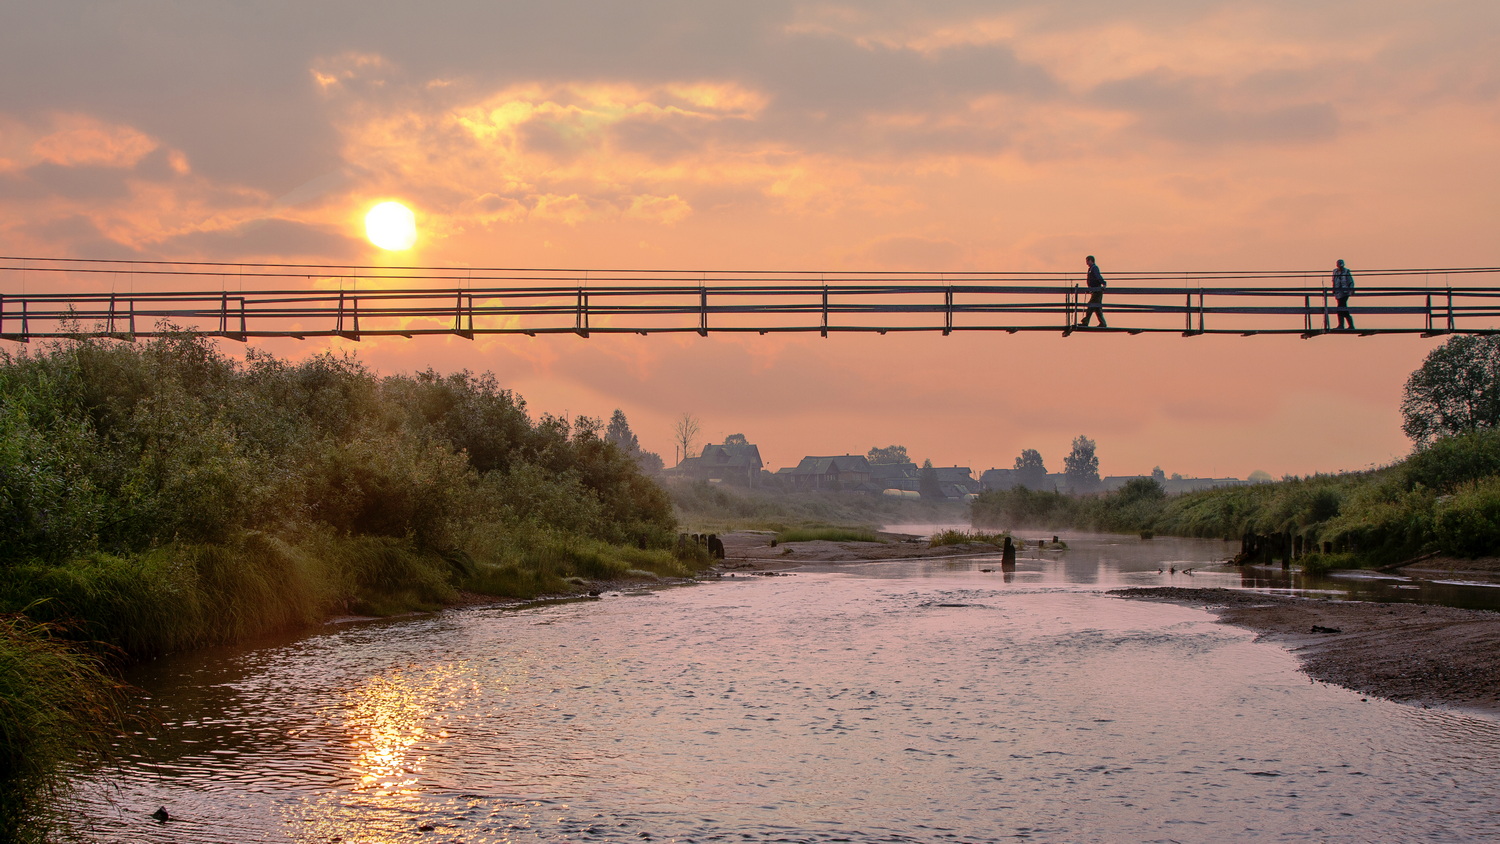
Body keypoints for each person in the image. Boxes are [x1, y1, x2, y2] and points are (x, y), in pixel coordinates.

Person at [1078, 255, 1107, 328]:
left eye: (1088, 261)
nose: (1087, 262)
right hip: (1094, 290)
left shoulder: (1094, 268)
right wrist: (1089, 288)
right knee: (1097, 307)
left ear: (1091, 260)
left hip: (1097, 290)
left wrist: (1103, 283)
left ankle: (1086, 322)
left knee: (1090, 306)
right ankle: (1102, 323)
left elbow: (1098, 276)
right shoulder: (1090, 269)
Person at [1332, 259, 1355, 330]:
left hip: (1345, 292)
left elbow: (1351, 282)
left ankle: (1342, 325)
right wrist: (1333, 289)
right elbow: (1334, 281)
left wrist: (1351, 290)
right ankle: (1349, 325)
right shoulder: (1335, 271)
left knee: (1340, 308)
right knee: (1343, 308)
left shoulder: (1346, 271)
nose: (1340, 267)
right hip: (1338, 293)